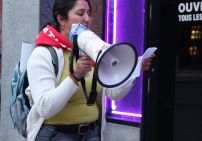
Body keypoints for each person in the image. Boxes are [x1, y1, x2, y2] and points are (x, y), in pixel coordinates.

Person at [25, 0, 155, 141]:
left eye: (89, 13)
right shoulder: (43, 54)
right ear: (61, 19)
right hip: (56, 135)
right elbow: (45, 107)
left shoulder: (90, 51)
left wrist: (134, 71)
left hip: (91, 133)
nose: (87, 19)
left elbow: (113, 93)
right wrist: (75, 77)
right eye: (80, 13)